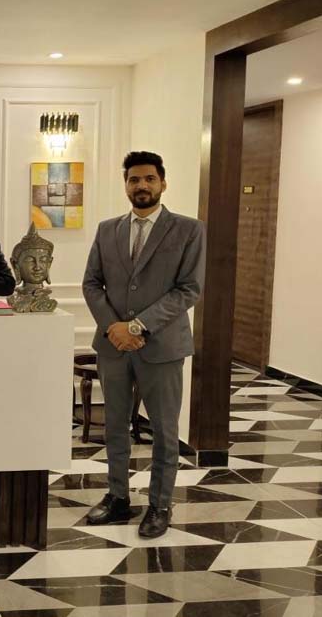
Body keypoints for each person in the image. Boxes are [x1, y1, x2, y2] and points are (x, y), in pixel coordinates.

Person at [82, 151, 206, 538]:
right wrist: (114, 328)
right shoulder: (107, 230)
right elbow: (91, 283)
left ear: (163, 183)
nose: (142, 185)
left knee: (165, 431)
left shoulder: (188, 230)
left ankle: (159, 505)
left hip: (162, 346)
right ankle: (118, 497)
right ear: (126, 185)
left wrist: (137, 325)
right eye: (134, 179)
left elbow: (189, 289)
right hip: (113, 346)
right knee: (115, 426)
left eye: (150, 179)